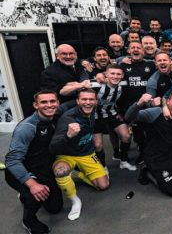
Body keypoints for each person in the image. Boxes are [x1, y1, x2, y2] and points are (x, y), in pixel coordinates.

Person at [5, 90, 63, 234]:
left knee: (55, 208)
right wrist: (32, 184)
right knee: (34, 193)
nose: (49, 105)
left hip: (43, 168)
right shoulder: (27, 127)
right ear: (35, 105)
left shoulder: (55, 118)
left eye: (52, 101)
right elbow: (12, 161)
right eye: (44, 102)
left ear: (57, 103)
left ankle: (27, 194)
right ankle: (29, 220)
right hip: (21, 170)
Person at [124, 92, 172, 197]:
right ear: (168, 102)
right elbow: (128, 117)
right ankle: (147, 171)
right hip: (156, 158)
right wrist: (140, 102)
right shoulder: (155, 113)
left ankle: (171, 169)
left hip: (171, 152)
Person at [50, 88, 109, 221]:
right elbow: (53, 147)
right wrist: (68, 135)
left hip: (87, 153)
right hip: (67, 155)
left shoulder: (94, 110)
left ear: (96, 101)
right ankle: (75, 201)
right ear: (77, 101)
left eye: (91, 99)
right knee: (60, 171)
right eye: (84, 99)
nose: (88, 102)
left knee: (103, 186)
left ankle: (78, 174)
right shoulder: (68, 118)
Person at [91, 64, 136, 172]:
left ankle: (123, 161)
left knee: (126, 136)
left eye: (118, 74)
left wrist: (121, 113)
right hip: (95, 116)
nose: (115, 76)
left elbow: (123, 101)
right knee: (98, 145)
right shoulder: (95, 85)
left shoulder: (123, 86)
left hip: (111, 113)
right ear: (106, 74)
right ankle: (103, 167)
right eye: (112, 73)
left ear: (122, 76)